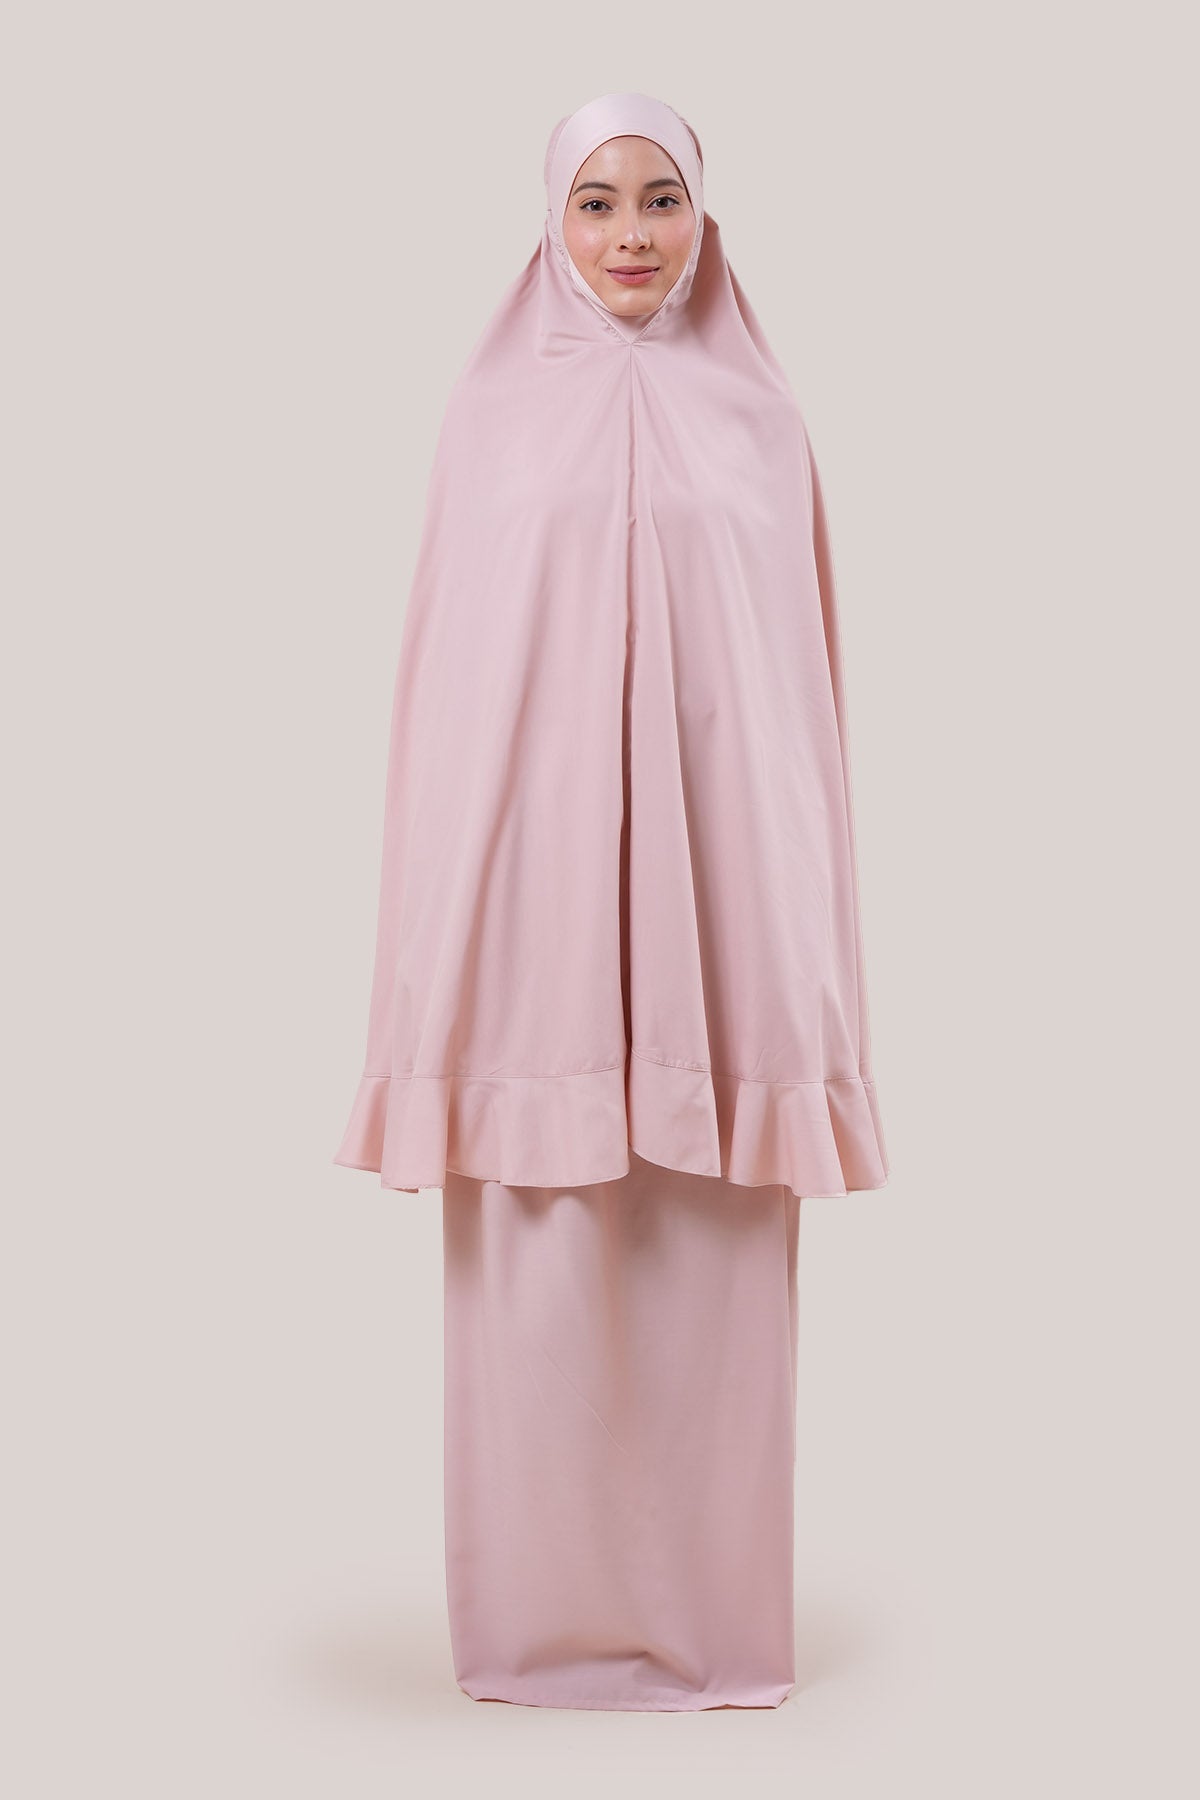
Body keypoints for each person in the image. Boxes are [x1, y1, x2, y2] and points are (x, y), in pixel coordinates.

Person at [333, 91, 890, 1712]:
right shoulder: (492, 418)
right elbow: (453, 686)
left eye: (659, 199)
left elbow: (795, 700)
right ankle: (537, 1627)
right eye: (596, 202)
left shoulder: (761, 423)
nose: (632, 234)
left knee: (715, 1252)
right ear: (552, 223)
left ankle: (716, 1631)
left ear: (703, 219)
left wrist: (797, 925)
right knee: (536, 1255)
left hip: (726, 904)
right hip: (533, 902)